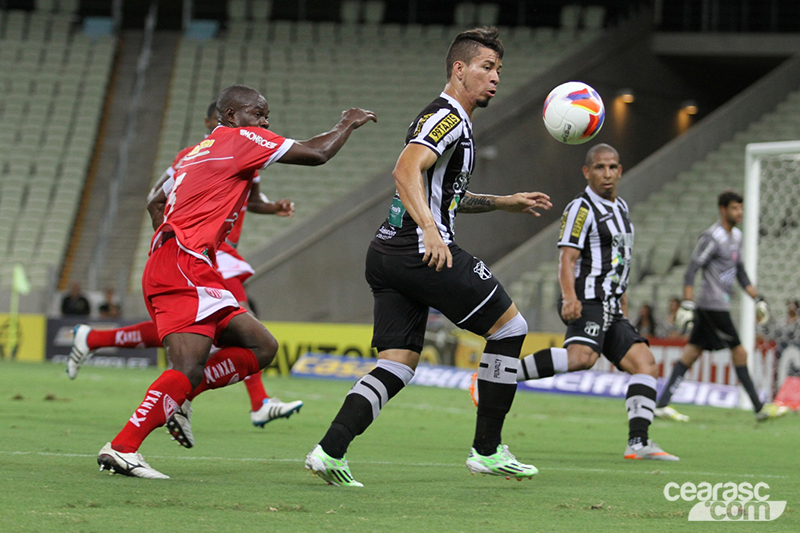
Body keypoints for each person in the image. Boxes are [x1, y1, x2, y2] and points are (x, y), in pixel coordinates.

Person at [305, 27, 552, 487]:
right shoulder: (446, 116)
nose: (495, 78)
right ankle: (488, 450)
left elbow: (445, 194)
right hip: (419, 251)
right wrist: (431, 231)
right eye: (486, 67)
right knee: (510, 328)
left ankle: (329, 451)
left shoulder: (454, 121)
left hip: (388, 252)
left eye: (499, 70)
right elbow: (405, 171)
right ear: (459, 69)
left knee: (397, 364)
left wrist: (503, 202)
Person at [96, 84, 376, 479]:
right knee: (188, 366)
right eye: (258, 113)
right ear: (231, 116)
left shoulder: (195, 152)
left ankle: (179, 396)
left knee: (262, 346)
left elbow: (155, 199)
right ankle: (123, 447)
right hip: (183, 264)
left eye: (267, 115)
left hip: (189, 265)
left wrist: (171, 239)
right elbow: (317, 153)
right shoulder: (241, 139)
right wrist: (347, 123)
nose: (265, 122)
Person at [68, 102, 303, 436]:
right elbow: (157, 198)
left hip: (211, 253)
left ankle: (96, 339)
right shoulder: (191, 156)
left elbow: (251, 198)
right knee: (238, 325)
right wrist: (175, 241)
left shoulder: (246, 149)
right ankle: (255, 401)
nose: (261, 123)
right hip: (198, 252)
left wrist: (272, 207)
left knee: (194, 329)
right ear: (217, 120)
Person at [472, 144, 680, 462]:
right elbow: (567, 258)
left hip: (611, 303)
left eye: (612, 167)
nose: (607, 173)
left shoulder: (621, 207)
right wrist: (570, 296)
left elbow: (619, 259)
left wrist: (622, 298)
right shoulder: (580, 209)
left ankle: (638, 442)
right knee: (582, 357)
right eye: (600, 167)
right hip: (587, 298)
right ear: (587, 172)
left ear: (620, 170)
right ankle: (498, 376)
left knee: (645, 364)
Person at [655, 190, 789, 422]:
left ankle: (662, 403)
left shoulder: (736, 237)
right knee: (740, 352)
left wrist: (758, 298)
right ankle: (759, 407)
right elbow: (691, 270)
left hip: (718, 306)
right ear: (723, 209)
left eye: (741, 208)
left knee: (691, 353)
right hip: (712, 306)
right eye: (735, 208)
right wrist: (687, 303)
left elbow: (740, 273)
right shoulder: (712, 237)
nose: (739, 212)